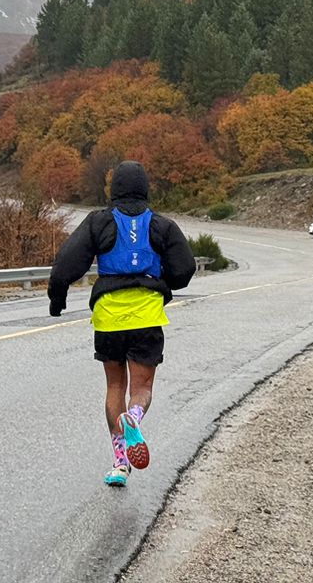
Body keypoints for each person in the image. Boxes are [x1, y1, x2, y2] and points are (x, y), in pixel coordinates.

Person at [47, 160, 196, 487]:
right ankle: (136, 417)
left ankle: (119, 464)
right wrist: (161, 283)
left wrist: (57, 300)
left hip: (109, 317)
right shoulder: (161, 225)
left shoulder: (99, 222)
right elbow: (185, 270)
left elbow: (65, 267)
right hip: (146, 316)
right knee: (141, 389)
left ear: (113, 189)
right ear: (145, 189)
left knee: (115, 386)